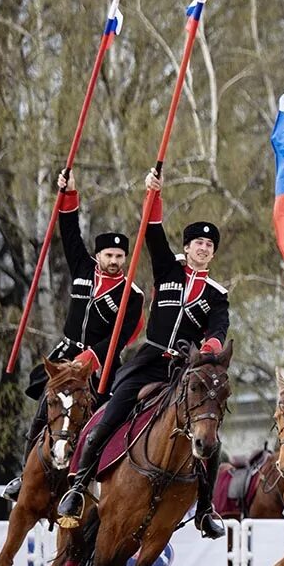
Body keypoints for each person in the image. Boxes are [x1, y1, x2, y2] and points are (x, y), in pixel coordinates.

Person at [56, 168, 230, 537]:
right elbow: (152, 231)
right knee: (111, 414)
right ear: (187, 248)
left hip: (185, 371)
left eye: (209, 245)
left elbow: (218, 329)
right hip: (149, 361)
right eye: (197, 243)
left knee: (211, 433)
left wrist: (210, 350)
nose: (202, 248)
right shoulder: (168, 271)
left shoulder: (217, 294)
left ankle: (204, 508)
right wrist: (154, 194)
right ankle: (77, 484)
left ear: (213, 253)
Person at [3, 168, 144, 499]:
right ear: (98, 255)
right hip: (65, 352)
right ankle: (24, 477)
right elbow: (68, 229)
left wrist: (88, 360)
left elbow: (119, 337)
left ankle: (88, 482)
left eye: (120, 256)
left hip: (101, 363)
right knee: (42, 412)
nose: (114, 261)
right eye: (109, 255)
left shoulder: (132, 294)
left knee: (101, 422)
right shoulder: (82, 267)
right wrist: (68, 193)